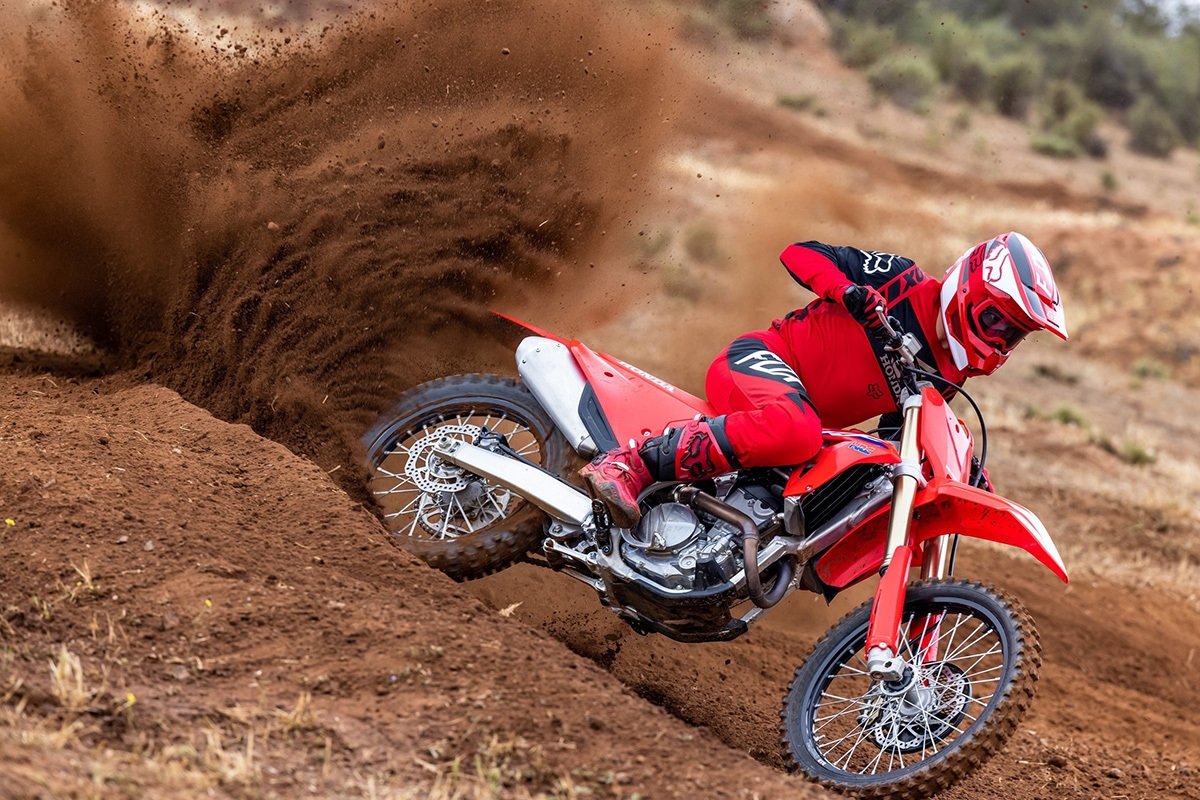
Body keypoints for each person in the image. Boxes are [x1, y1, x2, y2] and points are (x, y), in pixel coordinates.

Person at [580, 231, 1069, 528]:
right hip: (758, 359)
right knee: (796, 428)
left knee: (855, 484)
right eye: (997, 321)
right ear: (969, 289)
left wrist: (963, 471)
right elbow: (799, 252)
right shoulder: (902, 281)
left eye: (1013, 334)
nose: (1000, 340)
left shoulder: (946, 374)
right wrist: (846, 291)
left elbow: (898, 439)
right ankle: (631, 464)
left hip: (801, 426)